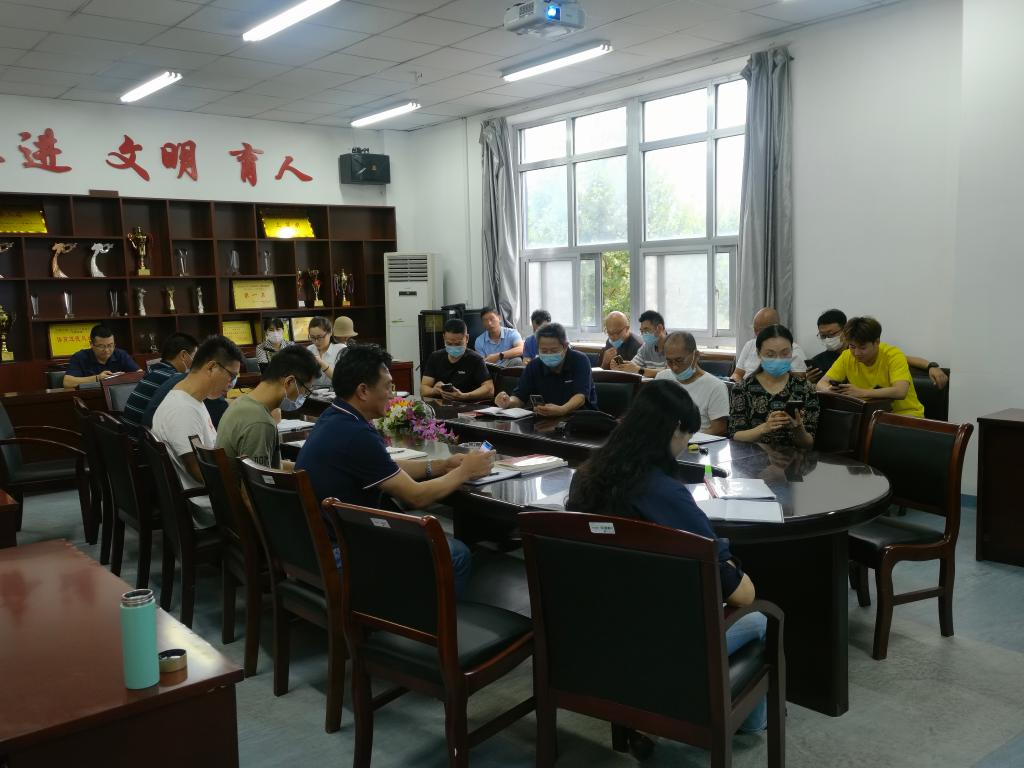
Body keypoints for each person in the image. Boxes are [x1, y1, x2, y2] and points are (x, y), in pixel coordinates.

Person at [566, 380, 766, 733]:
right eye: (686, 436)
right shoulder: (664, 493)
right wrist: (728, 561)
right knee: (760, 619)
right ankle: (747, 723)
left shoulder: (585, 476)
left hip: (594, 627)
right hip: (657, 636)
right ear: (675, 430)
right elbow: (741, 594)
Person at [295, 345, 494, 597]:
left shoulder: (335, 417)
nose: (393, 394)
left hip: (313, 546)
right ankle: (431, 620)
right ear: (363, 391)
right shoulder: (356, 433)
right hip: (341, 552)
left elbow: (384, 467)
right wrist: (465, 471)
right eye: (388, 387)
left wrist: (442, 466)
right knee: (456, 554)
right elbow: (416, 496)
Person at [151, 336, 245, 526]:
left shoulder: (191, 399)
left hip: (208, 496)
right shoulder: (182, 410)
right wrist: (241, 483)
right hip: (207, 505)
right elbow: (198, 470)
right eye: (231, 376)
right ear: (211, 367)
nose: (232, 384)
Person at [217, 346, 319, 470]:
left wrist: (307, 471)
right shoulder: (260, 422)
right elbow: (260, 480)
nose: (304, 396)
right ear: (289, 382)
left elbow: (272, 466)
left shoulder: (241, 403)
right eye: (306, 391)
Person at [807, 308, 949, 390]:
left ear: (845, 330)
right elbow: (821, 386)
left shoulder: (877, 350)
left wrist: (931, 366)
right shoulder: (821, 360)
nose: (857, 353)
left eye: (831, 334)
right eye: (823, 336)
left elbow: (903, 360)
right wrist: (809, 382)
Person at [816, 316, 925, 417]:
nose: (856, 353)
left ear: (877, 342)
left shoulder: (893, 355)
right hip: (869, 414)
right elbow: (821, 384)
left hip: (905, 415)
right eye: (852, 346)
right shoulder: (847, 355)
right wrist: (829, 390)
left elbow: (900, 391)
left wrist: (862, 392)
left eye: (862, 348)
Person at [729, 324, 819, 448]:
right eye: (770, 355)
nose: (778, 359)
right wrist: (764, 428)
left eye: (785, 353)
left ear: (792, 352)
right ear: (758, 353)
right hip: (752, 457)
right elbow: (735, 435)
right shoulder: (742, 388)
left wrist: (797, 428)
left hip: (793, 458)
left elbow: (809, 444)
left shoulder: (806, 389)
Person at [494, 322, 596, 416]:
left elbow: (580, 396)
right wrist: (508, 402)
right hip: (545, 419)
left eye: (554, 350)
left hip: (580, 418)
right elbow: (520, 397)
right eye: (544, 350)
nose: (549, 354)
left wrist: (562, 410)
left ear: (565, 346)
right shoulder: (534, 365)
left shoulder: (579, 360)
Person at [654, 331, 730, 436]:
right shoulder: (662, 378)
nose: (674, 367)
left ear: (696, 355)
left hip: (698, 442)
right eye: (669, 361)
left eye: (679, 360)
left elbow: (719, 428)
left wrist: (686, 439)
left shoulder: (716, 387)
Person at [122, 332, 197, 427]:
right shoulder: (173, 377)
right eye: (195, 357)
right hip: (140, 434)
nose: (196, 363)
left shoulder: (153, 370)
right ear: (183, 355)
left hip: (128, 431)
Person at [420, 318, 494, 402]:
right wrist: (434, 390)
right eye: (449, 343)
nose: (453, 347)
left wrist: (464, 396)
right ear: (444, 338)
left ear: (467, 338)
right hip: (440, 405)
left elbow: (490, 389)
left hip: (467, 406)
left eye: (458, 344)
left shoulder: (475, 359)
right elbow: (423, 389)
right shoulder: (435, 357)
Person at [731, 308, 808, 381]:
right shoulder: (750, 345)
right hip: (746, 386)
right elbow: (737, 373)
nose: (757, 334)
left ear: (776, 327)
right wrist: (739, 384)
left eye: (761, 330)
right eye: (755, 329)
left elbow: (800, 381)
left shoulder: (794, 350)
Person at [63, 324, 140, 387]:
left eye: (110, 345)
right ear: (91, 344)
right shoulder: (79, 357)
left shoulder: (120, 354)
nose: (107, 350)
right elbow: (67, 382)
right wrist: (97, 378)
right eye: (101, 346)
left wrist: (124, 377)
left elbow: (140, 375)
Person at [612, 310, 667, 377]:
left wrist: (639, 370)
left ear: (660, 328)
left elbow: (669, 373)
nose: (644, 335)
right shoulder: (646, 347)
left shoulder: (674, 346)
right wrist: (621, 367)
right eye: (642, 331)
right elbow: (633, 367)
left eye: (646, 330)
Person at [307, 316, 345, 387]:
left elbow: (343, 380)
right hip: (314, 392)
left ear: (330, 332)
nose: (316, 341)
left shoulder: (341, 349)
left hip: (335, 392)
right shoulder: (309, 350)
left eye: (320, 337)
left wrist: (321, 363)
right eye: (312, 337)